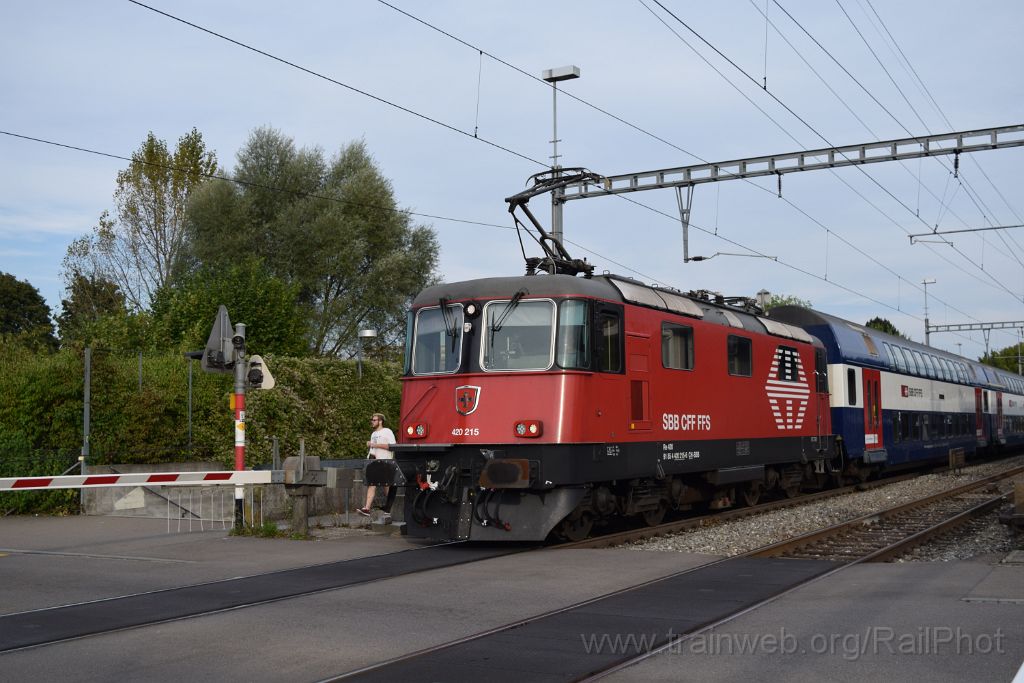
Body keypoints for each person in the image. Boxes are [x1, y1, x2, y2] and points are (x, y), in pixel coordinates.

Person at [357, 412, 396, 516]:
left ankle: (390, 510)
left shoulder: (387, 431)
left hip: (386, 462)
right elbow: (373, 450)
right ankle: (367, 509)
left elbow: (392, 446)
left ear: (380, 421)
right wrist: (368, 460)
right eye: (372, 420)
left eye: (374, 420)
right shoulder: (373, 434)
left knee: (387, 486)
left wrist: (375, 444)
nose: (372, 422)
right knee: (372, 484)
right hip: (375, 463)